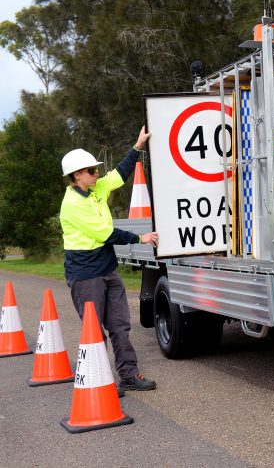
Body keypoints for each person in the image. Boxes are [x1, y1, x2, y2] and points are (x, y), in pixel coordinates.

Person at [59, 126, 158, 395]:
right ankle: (100, 381)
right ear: (77, 175)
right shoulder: (72, 204)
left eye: (95, 169)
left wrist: (137, 147)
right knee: (94, 330)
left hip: (107, 267)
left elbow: (119, 174)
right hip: (85, 272)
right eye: (91, 171)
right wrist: (141, 238)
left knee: (120, 324)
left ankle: (128, 374)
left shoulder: (96, 188)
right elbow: (106, 234)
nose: (97, 174)